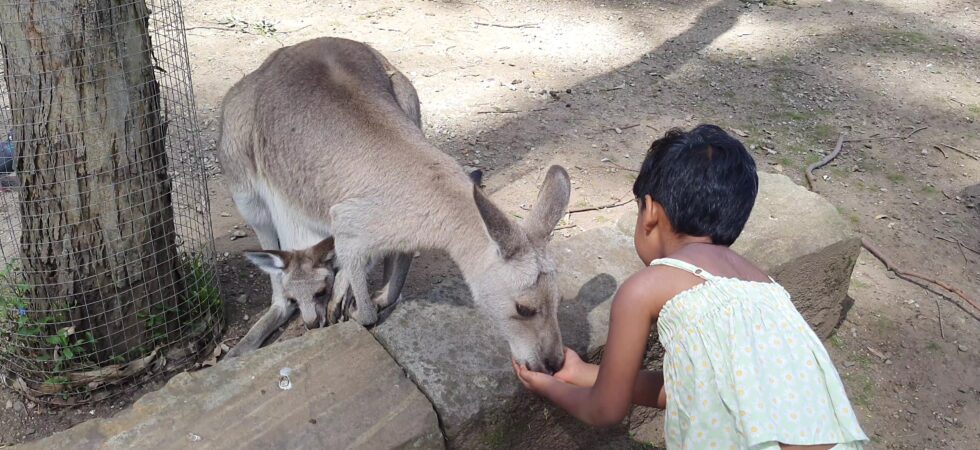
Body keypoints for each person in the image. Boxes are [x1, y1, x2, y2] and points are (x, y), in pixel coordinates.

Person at [513, 125, 868, 449]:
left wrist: (550, 386)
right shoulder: (767, 287)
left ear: (649, 211)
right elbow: (685, 389)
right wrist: (583, 373)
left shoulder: (646, 288)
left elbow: (605, 411)